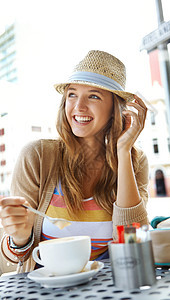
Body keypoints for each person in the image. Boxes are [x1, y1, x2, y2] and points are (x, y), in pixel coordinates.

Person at [0, 50, 149, 273]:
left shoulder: (134, 161)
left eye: (94, 96)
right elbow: (17, 256)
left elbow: (132, 241)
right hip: (47, 290)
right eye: (72, 94)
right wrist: (19, 237)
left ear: (114, 109)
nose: (78, 107)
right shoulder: (37, 156)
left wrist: (123, 151)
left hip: (109, 288)